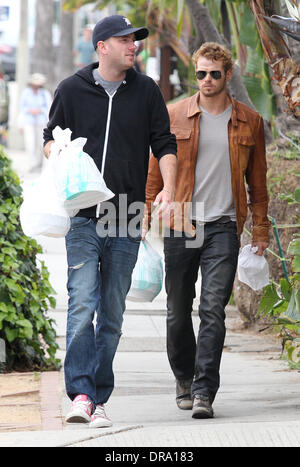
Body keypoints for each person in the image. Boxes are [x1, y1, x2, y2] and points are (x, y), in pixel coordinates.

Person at [43, 15, 177, 428]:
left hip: (126, 214)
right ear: (102, 46)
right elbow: (49, 138)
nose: (133, 46)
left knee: (113, 313)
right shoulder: (71, 89)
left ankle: (99, 395)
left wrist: (168, 191)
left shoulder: (146, 91)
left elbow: (165, 143)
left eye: (134, 40)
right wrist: (59, 152)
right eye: (124, 40)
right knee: (82, 304)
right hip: (82, 215)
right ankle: (82, 394)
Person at [144, 42, 270, 419]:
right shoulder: (174, 116)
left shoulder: (249, 121)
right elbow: (154, 173)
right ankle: (184, 377)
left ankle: (203, 391)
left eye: (215, 73)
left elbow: (258, 186)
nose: (207, 80)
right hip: (185, 222)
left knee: (213, 309)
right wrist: (145, 215)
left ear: (227, 75)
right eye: (201, 74)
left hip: (224, 226)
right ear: (195, 75)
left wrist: (260, 231)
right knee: (177, 311)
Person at [19, 73, 51, 172]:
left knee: (40, 143)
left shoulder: (44, 93)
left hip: (41, 121)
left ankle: (39, 164)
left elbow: (49, 107)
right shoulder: (26, 93)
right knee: (30, 143)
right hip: (28, 120)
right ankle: (31, 164)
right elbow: (21, 107)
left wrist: (40, 110)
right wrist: (30, 111)